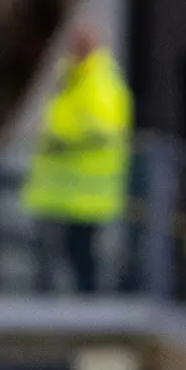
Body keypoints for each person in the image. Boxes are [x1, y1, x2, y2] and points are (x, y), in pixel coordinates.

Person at [22, 20, 127, 293]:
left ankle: (88, 305)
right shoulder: (70, 79)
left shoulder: (100, 83)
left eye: (82, 44)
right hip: (63, 191)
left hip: (86, 193)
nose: (76, 49)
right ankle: (74, 303)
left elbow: (104, 134)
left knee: (81, 256)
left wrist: (64, 145)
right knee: (65, 254)